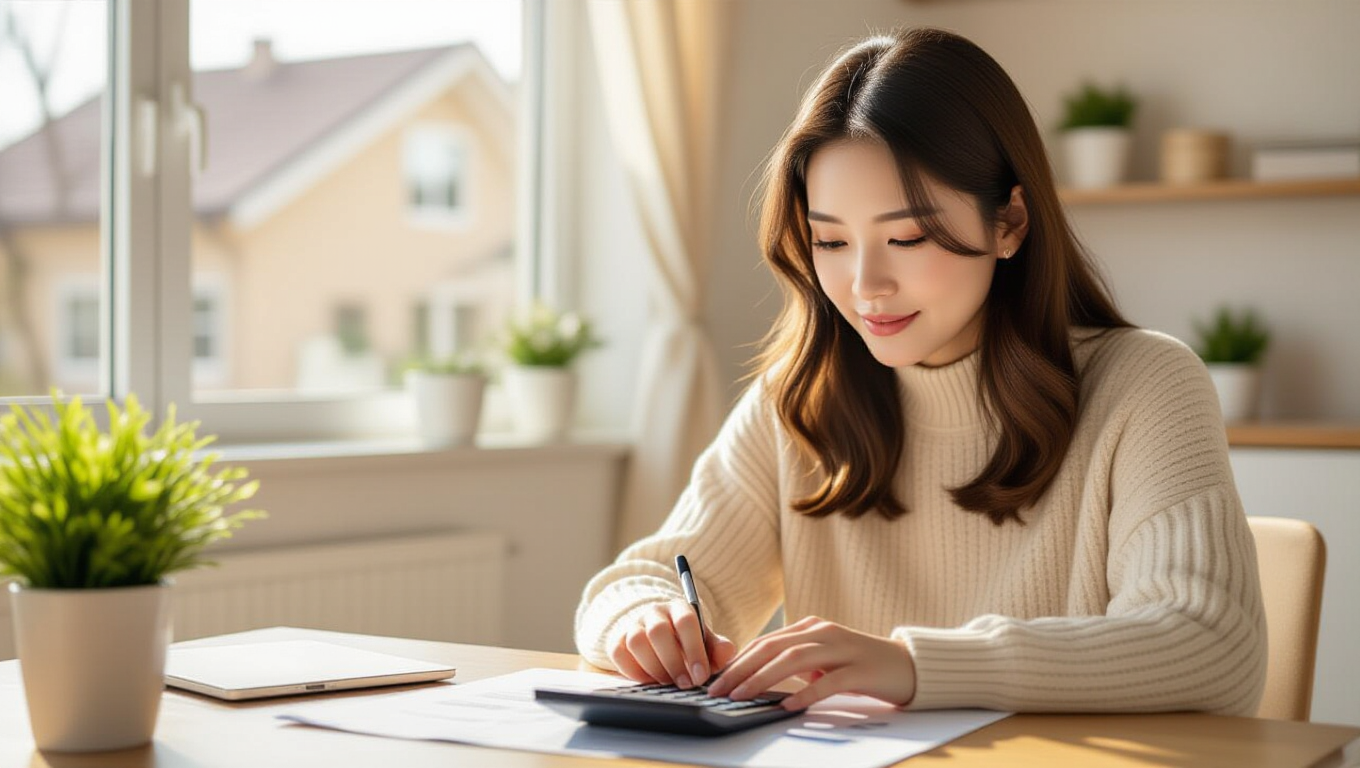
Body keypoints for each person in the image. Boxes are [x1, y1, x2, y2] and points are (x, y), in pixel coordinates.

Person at [574, 27, 1266, 715]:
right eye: (831, 241)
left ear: (1010, 222)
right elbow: (634, 582)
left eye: (906, 237)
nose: (865, 284)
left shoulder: (1145, 385)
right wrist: (647, 620)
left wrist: (913, 665)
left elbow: (1209, 644)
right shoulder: (800, 399)